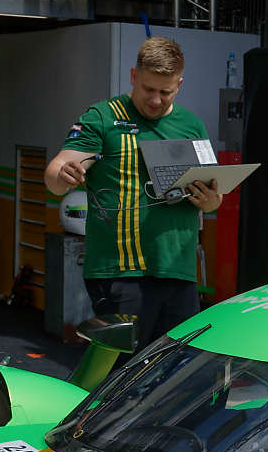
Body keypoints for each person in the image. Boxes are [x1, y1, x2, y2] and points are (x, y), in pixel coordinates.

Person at [45, 37, 224, 348]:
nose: (155, 100)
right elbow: (57, 173)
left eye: (165, 92)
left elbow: (213, 194)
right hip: (120, 273)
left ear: (179, 84)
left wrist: (211, 201)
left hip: (179, 272)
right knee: (122, 374)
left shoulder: (192, 125)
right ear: (133, 76)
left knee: (171, 376)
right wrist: (63, 175)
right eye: (148, 89)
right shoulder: (102, 117)